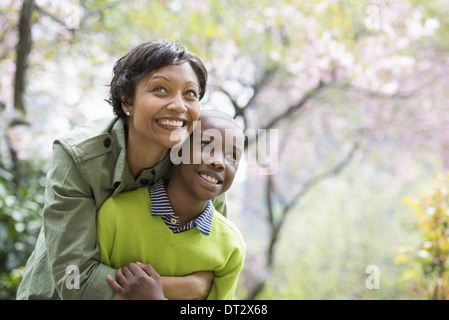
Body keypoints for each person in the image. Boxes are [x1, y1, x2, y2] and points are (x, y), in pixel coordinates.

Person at [17, 40, 226, 300]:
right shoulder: (78, 156)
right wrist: (184, 288)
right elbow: (75, 278)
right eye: (160, 90)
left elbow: (214, 261)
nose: (179, 105)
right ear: (127, 100)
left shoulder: (201, 161)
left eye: (190, 94)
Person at [96, 110, 246, 300]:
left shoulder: (231, 246)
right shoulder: (115, 214)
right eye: (207, 145)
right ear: (177, 150)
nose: (219, 162)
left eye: (232, 156)